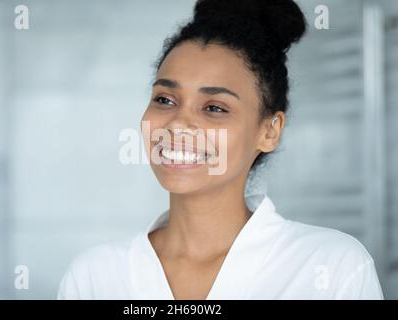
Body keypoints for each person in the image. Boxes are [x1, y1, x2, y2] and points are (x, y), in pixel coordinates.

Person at [58, 0, 384, 299]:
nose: (178, 125)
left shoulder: (333, 269)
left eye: (215, 108)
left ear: (269, 131)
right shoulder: (94, 278)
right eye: (165, 100)